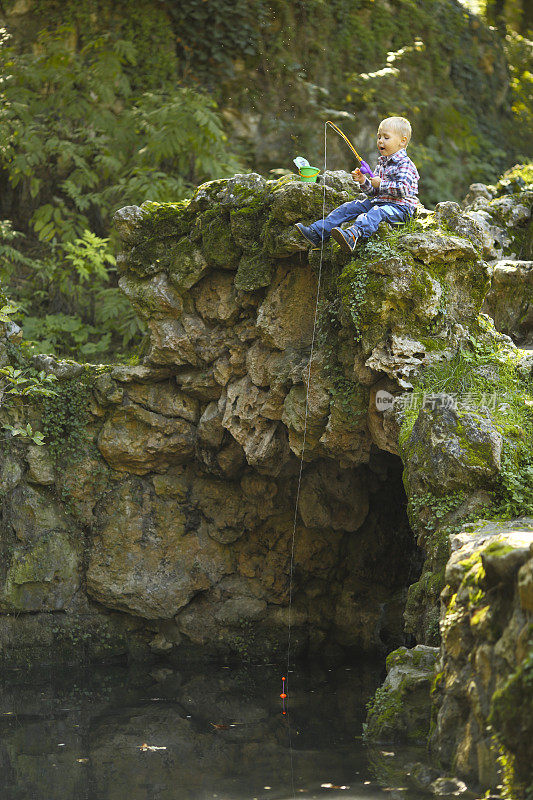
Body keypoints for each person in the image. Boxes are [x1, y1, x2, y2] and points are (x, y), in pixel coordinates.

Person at [295, 116, 419, 254]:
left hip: (400, 209)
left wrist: (381, 184)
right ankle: (317, 232)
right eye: (379, 137)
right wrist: (363, 181)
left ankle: (353, 235)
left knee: (377, 212)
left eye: (386, 137)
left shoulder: (405, 164)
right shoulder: (382, 163)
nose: (380, 141)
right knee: (350, 207)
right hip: (381, 202)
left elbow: (403, 190)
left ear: (402, 141)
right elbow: (373, 193)